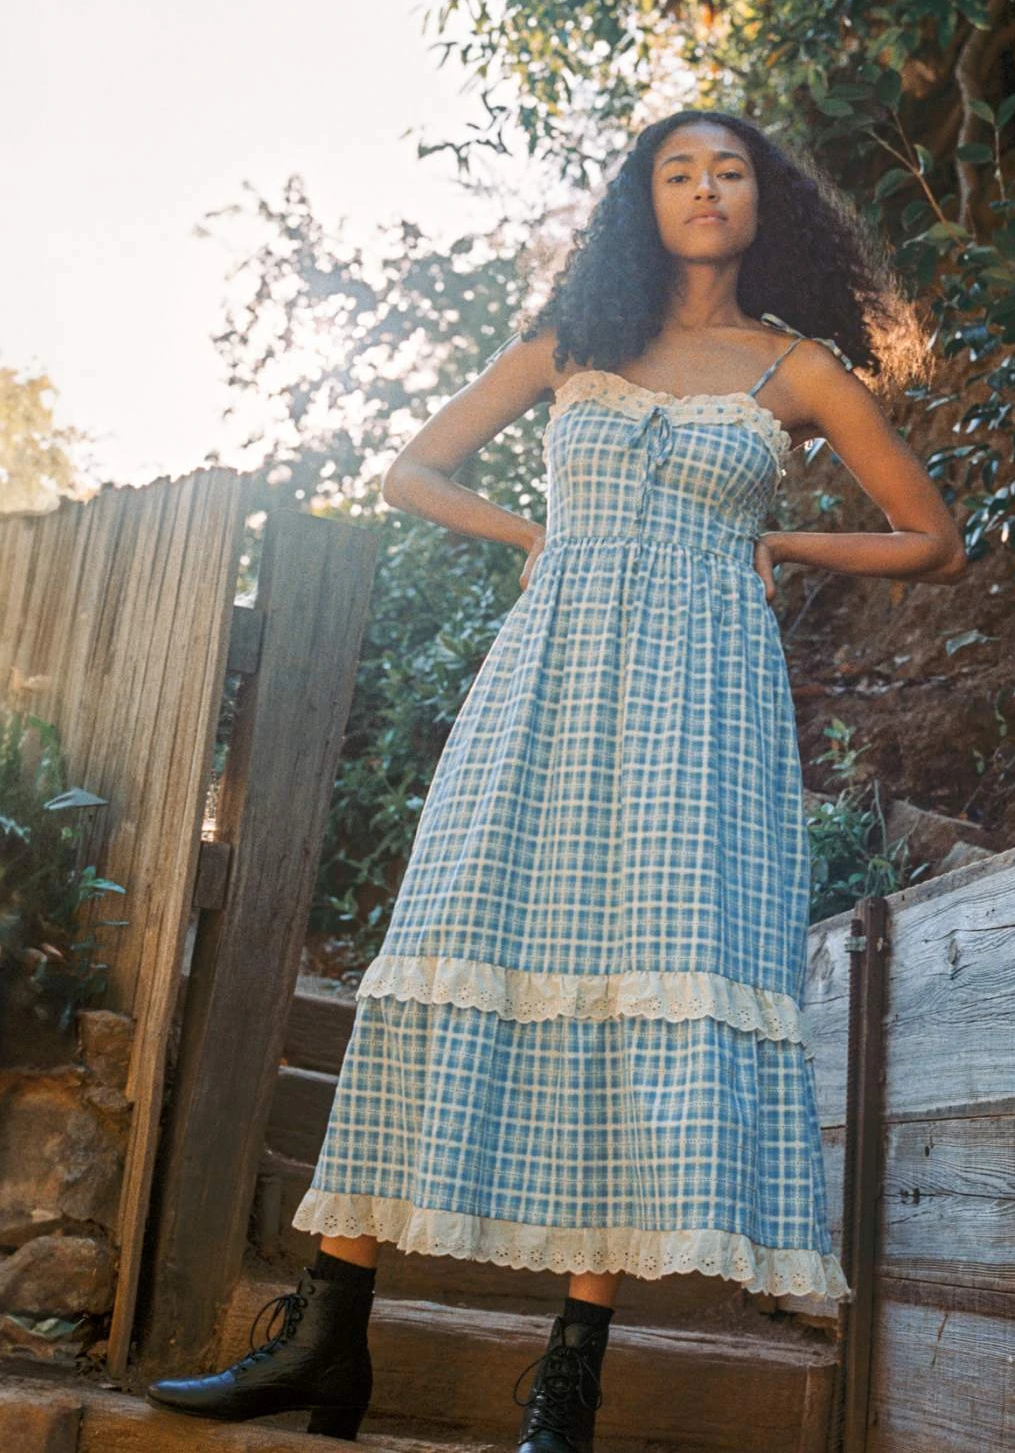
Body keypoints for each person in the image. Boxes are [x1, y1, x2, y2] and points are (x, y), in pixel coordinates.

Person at [146, 107, 966, 1449]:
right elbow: (412, 470)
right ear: (644, 203)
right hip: (548, 681)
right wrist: (531, 533)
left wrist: (784, 547)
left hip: (703, 712)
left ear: (765, 203)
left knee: (643, 978)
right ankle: (327, 1336)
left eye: (730, 171)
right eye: (677, 172)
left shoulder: (799, 370)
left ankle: (568, 1383)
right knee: (453, 938)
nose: (705, 189)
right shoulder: (571, 346)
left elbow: (933, 538)